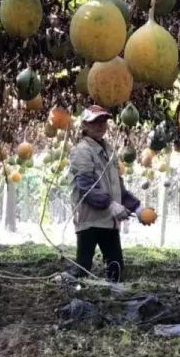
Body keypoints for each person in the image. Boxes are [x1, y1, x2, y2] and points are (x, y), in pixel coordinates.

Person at [68, 105, 146, 282]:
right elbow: (86, 186)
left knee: (116, 266)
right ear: (85, 126)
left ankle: (109, 302)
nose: (100, 125)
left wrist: (137, 208)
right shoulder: (82, 151)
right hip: (89, 220)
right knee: (83, 267)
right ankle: (63, 285)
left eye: (103, 121)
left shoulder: (109, 150)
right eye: (95, 122)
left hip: (108, 221)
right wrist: (111, 204)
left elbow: (117, 187)